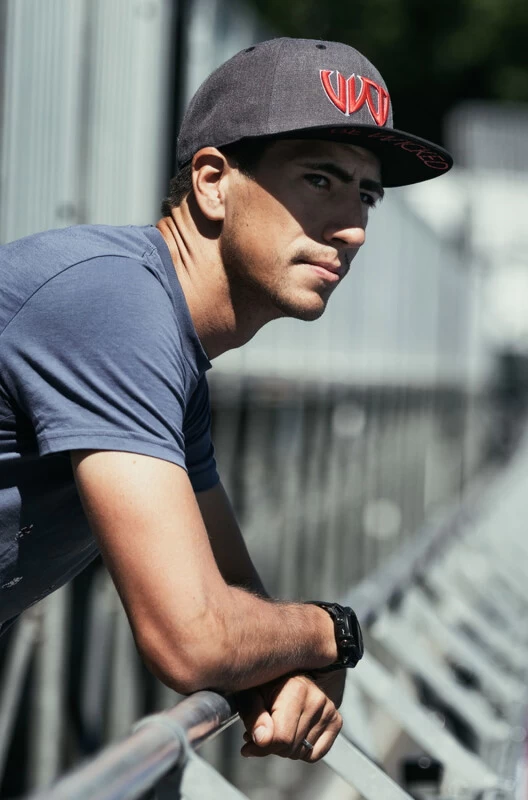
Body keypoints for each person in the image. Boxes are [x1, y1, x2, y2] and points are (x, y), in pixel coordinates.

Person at [0, 37, 452, 762]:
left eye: (367, 196)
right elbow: (193, 636)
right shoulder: (113, 301)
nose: (353, 229)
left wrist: (278, 666)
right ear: (213, 181)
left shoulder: (172, 356)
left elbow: (234, 592)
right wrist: (332, 632)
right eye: (320, 180)